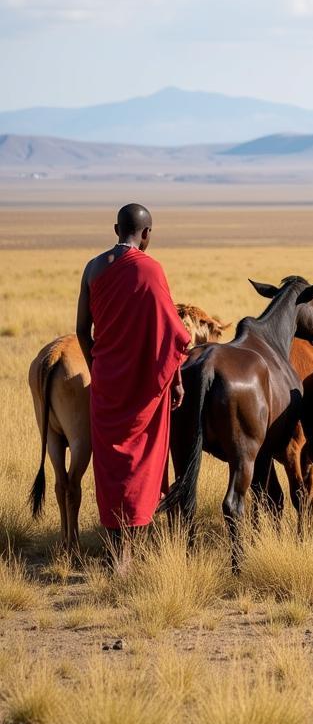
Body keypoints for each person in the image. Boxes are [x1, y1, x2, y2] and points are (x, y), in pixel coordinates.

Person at [75, 203, 190, 557]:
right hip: (143, 385)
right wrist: (177, 380)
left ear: (115, 230)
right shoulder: (150, 270)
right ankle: (132, 549)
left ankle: (115, 548)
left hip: (107, 381)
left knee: (110, 464)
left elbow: (82, 330)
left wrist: (98, 367)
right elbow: (172, 333)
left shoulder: (93, 268)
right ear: (147, 234)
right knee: (141, 460)